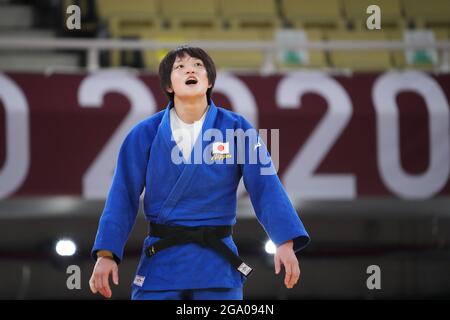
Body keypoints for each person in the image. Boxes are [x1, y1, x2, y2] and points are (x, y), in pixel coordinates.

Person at [89, 45, 310, 300]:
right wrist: (107, 253)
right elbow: (122, 195)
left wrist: (284, 240)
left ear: (209, 81)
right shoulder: (144, 134)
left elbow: (266, 186)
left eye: (197, 66)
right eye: (179, 68)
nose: (189, 70)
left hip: (216, 266)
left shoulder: (237, 129)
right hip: (162, 265)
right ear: (169, 86)